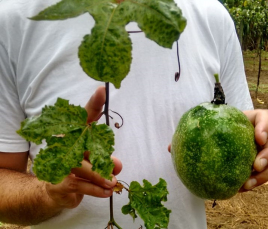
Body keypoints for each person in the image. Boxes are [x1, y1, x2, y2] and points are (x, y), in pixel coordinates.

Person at [0, 0, 268, 228]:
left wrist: (258, 140)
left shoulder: (211, 16)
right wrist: (46, 193)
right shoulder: (13, 20)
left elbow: (238, 128)